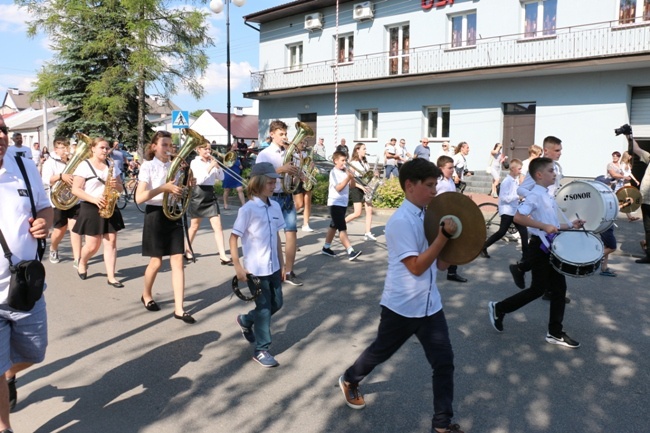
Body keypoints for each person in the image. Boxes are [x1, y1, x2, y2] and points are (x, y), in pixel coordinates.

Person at [338, 158, 464, 433]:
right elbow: (417, 267)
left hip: (431, 306)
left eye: (435, 185)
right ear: (409, 186)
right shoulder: (400, 222)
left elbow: (440, 264)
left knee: (444, 364)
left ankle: (441, 425)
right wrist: (442, 237)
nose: (434, 191)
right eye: (429, 186)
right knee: (381, 352)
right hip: (402, 307)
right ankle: (349, 379)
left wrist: (460, 246)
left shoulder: (429, 216)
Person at [488, 157, 584, 349]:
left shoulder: (547, 195)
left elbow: (552, 225)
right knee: (540, 289)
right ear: (539, 175)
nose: (554, 173)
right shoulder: (534, 196)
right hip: (540, 248)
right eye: (551, 170)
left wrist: (570, 226)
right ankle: (499, 308)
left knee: (556, 289)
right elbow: (519, 217)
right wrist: (543, 226)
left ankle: (554, 332)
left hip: (549, 246)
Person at [0, 118, 52, 433]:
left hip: (24, 286)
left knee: (35, 351)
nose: (1, 136)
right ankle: (4, 425)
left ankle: (9, 374)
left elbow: (45, 207)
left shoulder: (22, 164)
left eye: (2, 130)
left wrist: (44, 222)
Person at [135, 130, 196, 323]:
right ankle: (146, 294)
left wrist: (187, 185)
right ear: (154, 147)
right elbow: (139, 197)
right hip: (155, 215)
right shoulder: (148, 166)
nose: (169, 149)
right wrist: (163, 188)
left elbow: (181, 192)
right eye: (164, 145)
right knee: (156, 262)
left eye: (170, 145)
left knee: (178, 262)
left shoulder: (176, 166)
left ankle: (179, 309)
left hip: (173, 213)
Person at [231, 162, 285, 368]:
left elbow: (277, 237)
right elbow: (233, 238)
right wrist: (238, 266)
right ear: (259, 182)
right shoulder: (248, 209)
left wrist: (282, 265)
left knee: (277, 304)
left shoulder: (276, 206)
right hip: (255, 269)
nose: (274, 186)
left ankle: (246, 320)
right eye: (270, 182)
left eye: (274, 182)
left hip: (273, 267)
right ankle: (262, 349)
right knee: (264, 308)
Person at [510, 136, 564, 291]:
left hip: (550, 209)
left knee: (545, 253)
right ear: (546, 150)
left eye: (561, 150)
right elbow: (521, 189)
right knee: (542, 249)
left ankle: (522, 270)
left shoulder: (556, 167)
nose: (560, 153)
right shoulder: (538, 168)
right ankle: (545, 288)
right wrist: (537, 199)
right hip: (540, 212)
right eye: (557, 150)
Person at [71, 137, 125, 287]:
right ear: (93, 149)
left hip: (109, 205)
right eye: (102, 147)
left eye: (107, 148)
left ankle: (111, 277)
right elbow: (75, 189)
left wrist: (117, 185)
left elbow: (121, 187)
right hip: (91, 206)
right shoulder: (84, 165)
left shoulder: (112, 165)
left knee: (111, 242)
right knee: (92, 245)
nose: (105, 151)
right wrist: (93, 199)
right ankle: (82, 261)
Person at [255, 120, 303, 286]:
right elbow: (256, 177)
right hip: (272, 197)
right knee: (273, 236)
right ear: (272, 134)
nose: (284, 137)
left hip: (287, 195)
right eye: (281, 134)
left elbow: (296, 175)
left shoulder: (290, 153)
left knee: (291, 232)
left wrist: (299, 175)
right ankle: (276, 269)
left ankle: (288, 271)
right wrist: (280, 170)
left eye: (285, 134)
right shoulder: (265, 154)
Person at [186, 141, 232, 265]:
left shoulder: (211, 161)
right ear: (198, 149)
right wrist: (210, 166)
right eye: (205, 149)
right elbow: (199, 179)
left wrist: (218, 167)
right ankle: (188, 249)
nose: (208, 151)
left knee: (218, 226)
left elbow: (221, 178)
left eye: (209, 149)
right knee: (194, 226)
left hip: (210, 194)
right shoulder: (194, 162)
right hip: (198, 194)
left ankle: (222, 255)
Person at [41, 138, 82, 267]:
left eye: (66, 147)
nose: (65, 150)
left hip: (74, 199)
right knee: (60, 230)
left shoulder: (74, 161)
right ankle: (53, 248)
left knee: (75, 229)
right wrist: (60, 176)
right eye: (62, 148)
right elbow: (46, 180)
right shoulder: (50, 162)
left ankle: (78, 259)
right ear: (56, 149)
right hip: (58, 201)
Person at [480, 159, 529, 260]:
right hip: (507, 211)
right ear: (512, 169)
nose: (520, 171)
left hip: (514, 211)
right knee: (501, 232)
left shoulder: (515, 180)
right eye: (519, 169)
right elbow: (504, 198)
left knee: (523, 232)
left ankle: (525, 256)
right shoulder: (507, 182)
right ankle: (483, 246)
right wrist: (517, 197)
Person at [321, 150, 362, 260]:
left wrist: (351, 177)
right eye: (342, 160)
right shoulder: (333, 172)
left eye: (346, 160)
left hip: (342, 203)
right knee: (342, 228)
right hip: (335, 203)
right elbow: (338, 188)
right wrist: (348, 178)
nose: (345, 162)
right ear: (335, 161)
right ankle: (350, 251)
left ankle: (326, 247)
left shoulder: (345, 172)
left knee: (333, 225)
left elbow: (352, 186)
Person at [435, 155, 468, 283]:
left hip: (451, 215)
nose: (452, 170)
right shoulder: (438, 182)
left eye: (453, 167)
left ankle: (452, 271)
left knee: (453, 243)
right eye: (449, 168)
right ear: (440, 168)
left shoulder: (450, 181)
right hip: (440, 216)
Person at [623, 128, 650, 264]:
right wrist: (629, 135)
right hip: (647, 201)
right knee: (648, 228)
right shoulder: (649, 157)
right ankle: (649, 254)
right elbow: (637, 149)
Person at [345, 143, 377, 241]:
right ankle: (339, 224)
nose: (365, 151)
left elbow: (368, 176)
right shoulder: (353, 163)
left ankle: (367, 233)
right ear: (357, 150)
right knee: (357, 213)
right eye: (364, 149)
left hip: (366, 187)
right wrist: (362, 187)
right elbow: (351, 182)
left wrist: (375, 175)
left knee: (369, 210)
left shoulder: (365, 162)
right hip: (356, 187)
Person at [292, 140, 315, 232]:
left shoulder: (306, 154)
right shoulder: (292, 155)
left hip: (306, 180)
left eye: (304, 143)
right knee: (299, 204)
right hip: (297, 180)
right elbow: (292, 169)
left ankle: (306, 224)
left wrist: (312, 167)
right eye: (300, 143)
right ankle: (287, 218)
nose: (303, 144)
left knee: (307, 202)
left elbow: (309, 166)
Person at [221, 144, 246, 210]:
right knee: (227, 190)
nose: (236, 147)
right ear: (231, 147)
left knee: (240, 189)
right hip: (229, 174)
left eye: (236, 146)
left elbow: (240, 165)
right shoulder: (227, 155)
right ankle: (225, 205)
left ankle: (244, 205)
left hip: (236, 174)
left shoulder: (237, 156)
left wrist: (241, 166)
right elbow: (225, 165)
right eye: (234, 146)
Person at [620, 151, 640, 222]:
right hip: (624, 181)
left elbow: (630, 173)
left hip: (628, 181)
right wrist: (626, 177)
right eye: (630, 155)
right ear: (626, 156)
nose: (631, 157)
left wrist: (636, 180)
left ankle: (629, 216)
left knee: (628, 198)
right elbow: (622, 174)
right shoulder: (622, 164)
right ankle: (629, 215)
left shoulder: (627, 164)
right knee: (627, 198)